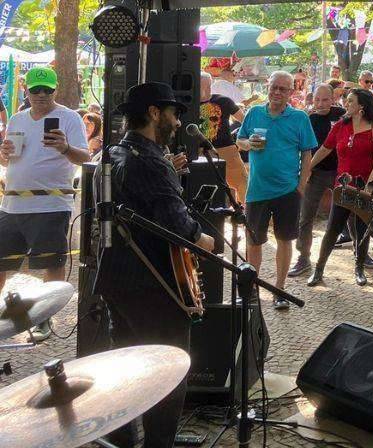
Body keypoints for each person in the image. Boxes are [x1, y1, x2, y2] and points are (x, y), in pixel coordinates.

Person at [93, 82, 215, 447]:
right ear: (153, 113)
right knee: (168, 370)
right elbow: (177, 227)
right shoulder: (148, 161)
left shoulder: (113, 154)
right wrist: (205, 240)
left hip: (117, 278)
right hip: (154, 285)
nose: (177, 123)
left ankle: (124, 440)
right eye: (173, 114)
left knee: (126, 368)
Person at [0, 66, 90, 341]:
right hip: (13, 203)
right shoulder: (16, 118)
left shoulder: (69, 117)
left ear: (55, 90)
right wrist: (3, 154)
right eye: (35, 89)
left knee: (51, 262)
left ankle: (45, 321)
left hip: (51, 203)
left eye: (46, 90)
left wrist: (64, 148)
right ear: (26, 90)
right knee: (1, 261)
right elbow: (8, 160)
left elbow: (85, 157)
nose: (40, 95)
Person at [236, 71, 318, 309]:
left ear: (291, 93)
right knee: (253, 242)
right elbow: (240, 140)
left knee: (284, 240)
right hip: (257, 190)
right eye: (274, 87)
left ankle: (280, 289)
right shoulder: (253, 113)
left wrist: (301, 186)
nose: (277, 92)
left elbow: (307, 153)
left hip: (287, 191)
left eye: (283, 89)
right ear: (268, 87)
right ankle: (251, 289)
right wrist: (247, 144)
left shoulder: (300, 118)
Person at [306, 89, 373, 287]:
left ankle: (359, 268)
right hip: (342, 187)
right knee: (332, 229)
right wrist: (307, 168)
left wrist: (370, 183)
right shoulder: (341, 126)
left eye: (350, 101)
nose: (345, 104)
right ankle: (319, 270)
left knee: (362, 229)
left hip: (364, 188)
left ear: (362, 106)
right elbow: (325, 148)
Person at [288, 84, 347, 278]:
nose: (320, 104)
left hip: (340, 172)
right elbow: (301, 146)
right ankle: (303, 258)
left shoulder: (342, 115)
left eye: (325, 100)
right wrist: (305, 171)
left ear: (333, 99)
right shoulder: (309, 118)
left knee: (353, 212)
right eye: (317, 100)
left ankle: (361, 254)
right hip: (316, 172)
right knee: (306, 216)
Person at [199, 72, 247, 203]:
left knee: (242, 184)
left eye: (202, 85)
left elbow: (245, 121)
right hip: (202, 152)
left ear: (209, 85)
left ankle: (245, 216)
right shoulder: (189, 104)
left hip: (227, 150)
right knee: (206, 186)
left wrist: (243, 140)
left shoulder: (223, 101)